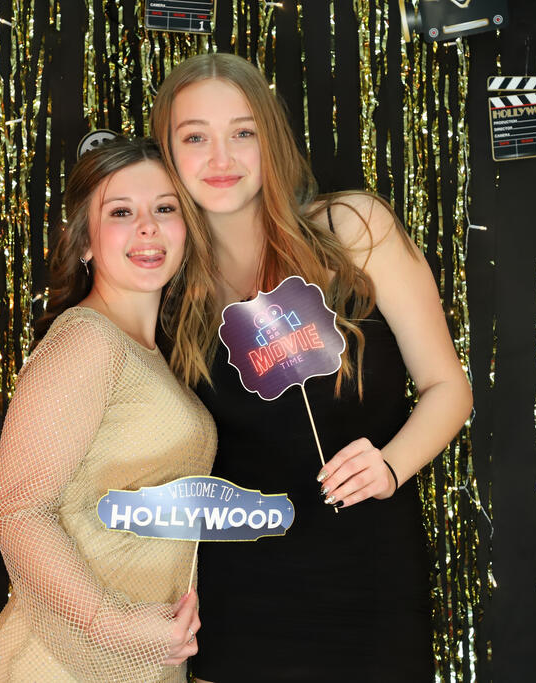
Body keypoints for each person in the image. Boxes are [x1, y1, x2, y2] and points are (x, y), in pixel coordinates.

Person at [150, 53, 473, 681]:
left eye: (243, 132)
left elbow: (448, 388)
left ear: (271, 139)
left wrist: (390, 464)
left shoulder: (354, 229)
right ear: (168, 153)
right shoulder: (170, 288)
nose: (221, 158)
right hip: (240, 598)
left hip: (370, 584)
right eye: (195, 137)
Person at [0, 137, 215, 682]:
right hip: (60, 662)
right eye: (121, 212)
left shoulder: (149, 354)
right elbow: (16, 510)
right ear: (85, 240)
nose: (147, 227)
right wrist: (113, 624)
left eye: (165, 208)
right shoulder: (88, 339)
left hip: (140, 660)